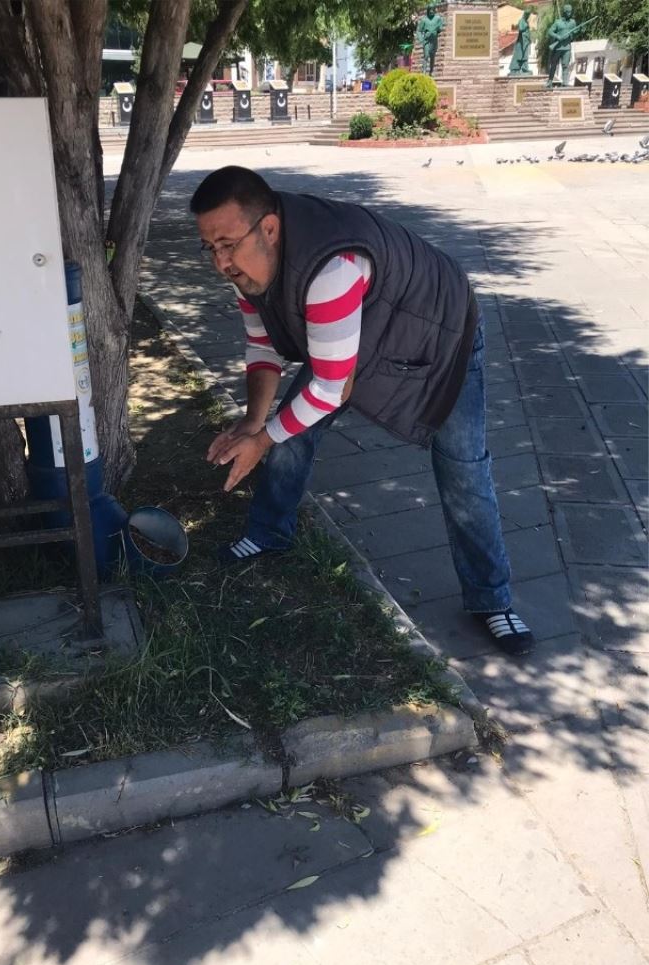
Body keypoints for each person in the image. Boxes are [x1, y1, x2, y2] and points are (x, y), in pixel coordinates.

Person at [189, 166, 535, 656]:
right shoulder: (249, 262)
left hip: (440, 333)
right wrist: (253, 422)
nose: (220, 262)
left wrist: (262, 439)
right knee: (291, 430)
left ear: (268, 227)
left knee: (462, 466)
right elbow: (263, 346)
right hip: (357, 325)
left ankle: (492, 599)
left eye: (227, 245)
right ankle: (268, 532)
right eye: (209, 247)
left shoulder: (331, 269)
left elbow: (330, 388)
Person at [546, 5, 578, 87]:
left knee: (565, 66)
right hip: (557, 47)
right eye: (568, 12)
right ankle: (550, 81)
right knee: (553, 65)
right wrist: (557, 36)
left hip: (567, 48)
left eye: (570, 12)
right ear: (564, 12)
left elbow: (575, 32)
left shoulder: (573, 22)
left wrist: (579, 30)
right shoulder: (558, 22)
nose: (569, 13)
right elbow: (550, 31)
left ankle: (565, 82)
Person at [416, 4, 444, 77]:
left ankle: (431, 72)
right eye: (430, 9)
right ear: (428, 10)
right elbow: (419, 31)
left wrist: (438, 29)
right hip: (427, 41)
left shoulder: (438, 18)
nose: (431, 11)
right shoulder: (424, 20)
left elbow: (440, 28)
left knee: (432, 56)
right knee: (426, 55)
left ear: (434, 10)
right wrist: (421, 39)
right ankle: (424, 72)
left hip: (434, 41)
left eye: (432, 9)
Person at [508, 9, 535, 77]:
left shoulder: (526, 21)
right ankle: (515, 68)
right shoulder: (521, 21)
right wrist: (526, 26)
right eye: (527, 15)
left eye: (528, 15)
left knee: (525, 55)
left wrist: (529, 39)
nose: (528, 16)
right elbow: (520, 28)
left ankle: (524, 68)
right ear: (525, 14)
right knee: (519, 55)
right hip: (521, 42)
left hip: (526, 41)